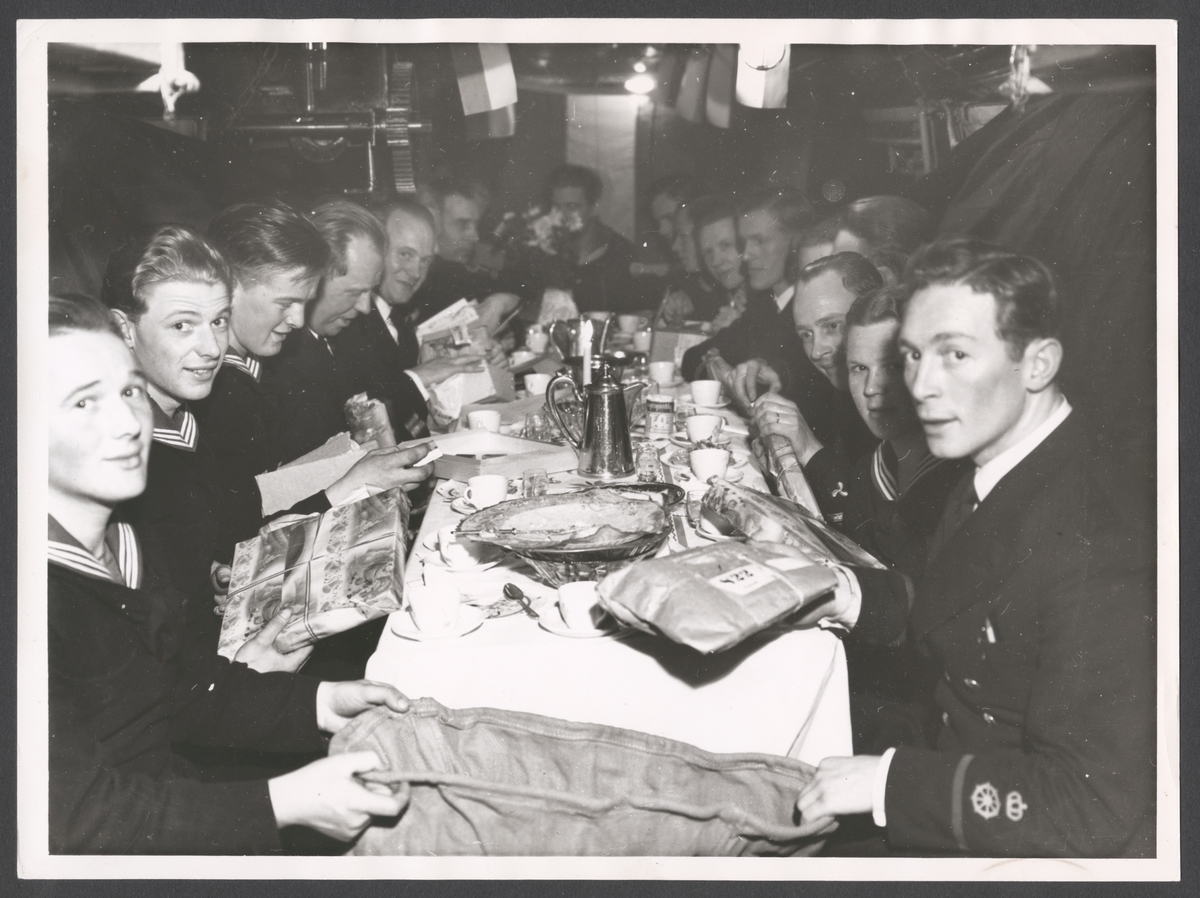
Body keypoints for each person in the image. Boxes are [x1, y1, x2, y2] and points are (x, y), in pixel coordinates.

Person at [794, 239, 1155, 857]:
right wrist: (840, 593)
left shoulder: (1098, 538)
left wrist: (888, 784)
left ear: (1037, 364)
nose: (921, 386)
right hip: (951, 755)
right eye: (912, 356)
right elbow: (958, 615)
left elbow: (1093, 803)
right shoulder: (994, 466)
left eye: (955, 355)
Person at [48, 294, 410, 853]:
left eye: (129, 391)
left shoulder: (123, 539)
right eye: (82, 402)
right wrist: (284, 802)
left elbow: (175, 691)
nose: (126, 423)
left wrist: (319, 703)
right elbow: (76, 822)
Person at [197, 201, 428, 554]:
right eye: (285, 303)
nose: (299, 320)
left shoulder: (246, 372)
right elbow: (240, 539)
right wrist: (352, 485)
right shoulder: (219, 391)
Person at [750, 252, 883, 523]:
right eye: (806, 334)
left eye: (832, 326)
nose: (816, 351)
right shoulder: (829, 388)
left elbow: (873, 524)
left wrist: (809, 449)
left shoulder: (897, 400)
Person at [679, 186, 824, 414]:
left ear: (796, 244)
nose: (746, 255)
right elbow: (691, 359)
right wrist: (716, 365)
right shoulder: (764, 306)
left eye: (759, 241)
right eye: (744, 243)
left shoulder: (812, 314)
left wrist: (725, 371)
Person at [359, 197, 489, 416]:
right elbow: (358, 409)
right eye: (405, 254)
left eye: (425, 261)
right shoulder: (351, 319)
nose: (416, 272)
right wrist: (420, 376)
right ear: (375, 249)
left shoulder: (398, 321)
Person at [412, 174, 522, 332]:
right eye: (463, 224)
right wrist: (501, 301)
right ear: (431, 221)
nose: (475, 236)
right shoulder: (430, 276)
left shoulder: (453, 270)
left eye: (476, 224)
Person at [543, 163, 640, 314]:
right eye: (556, 207)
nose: (561, 216)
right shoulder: (541, 253)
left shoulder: (621, 254)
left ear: (594, 208)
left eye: (572, 207)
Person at [655, 194, 746, 330]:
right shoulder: (734, 292)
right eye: (708, 252)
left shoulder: (767, 296)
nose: (715, 261)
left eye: (725, 246)